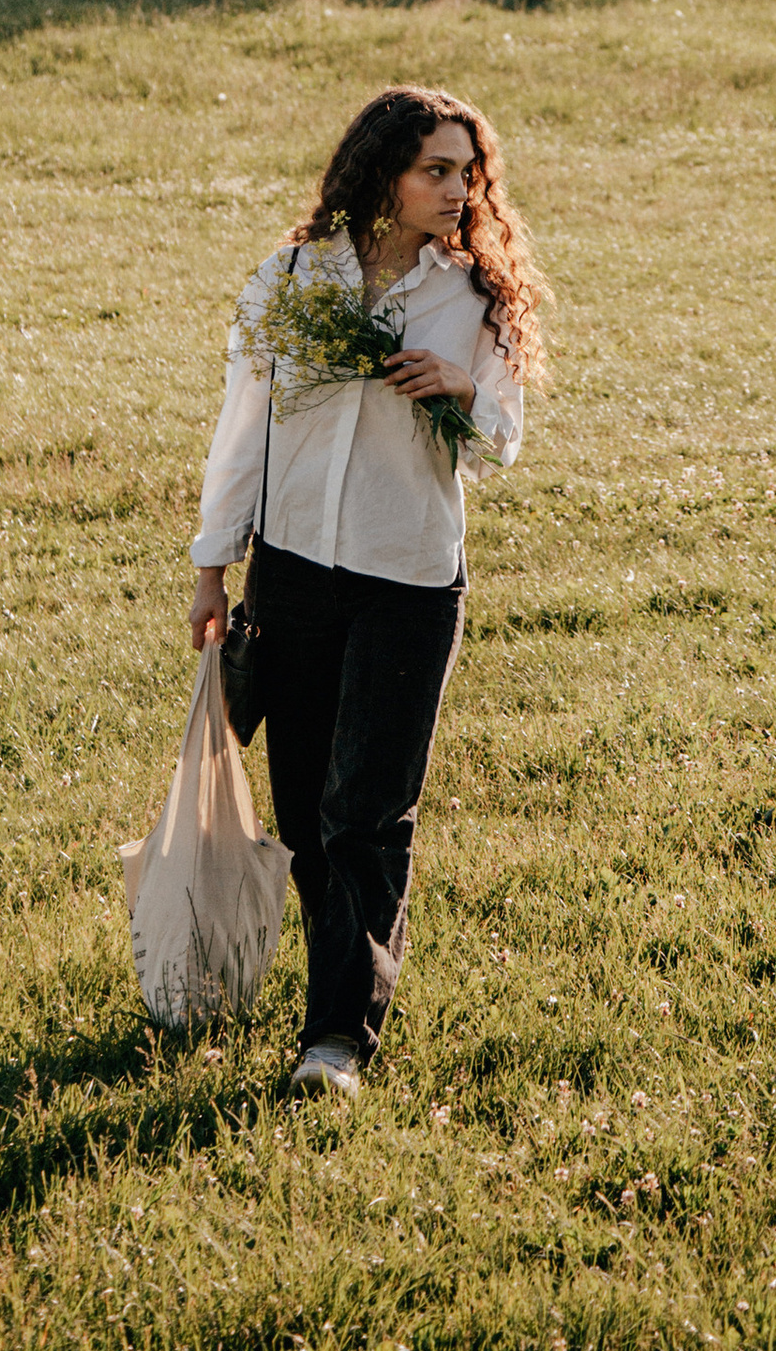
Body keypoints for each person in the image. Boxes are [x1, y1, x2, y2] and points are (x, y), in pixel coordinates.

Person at [189, 84, 544, 1099]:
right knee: (305, 814)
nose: (456, 188)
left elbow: (501, 446)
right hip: (292, 572)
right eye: (435, 168)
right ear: (379, 172)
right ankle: (325, 984)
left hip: (409, 581)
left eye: (467, 172)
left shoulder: (473, 298)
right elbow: (240, 429)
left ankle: (337, 1038)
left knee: (367, 815)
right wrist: (214, 567)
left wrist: (463, 389)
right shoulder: (291, 279)